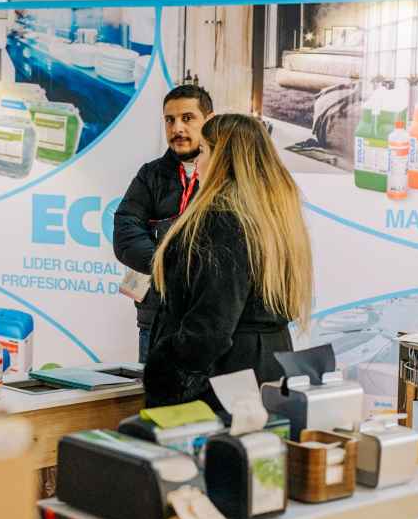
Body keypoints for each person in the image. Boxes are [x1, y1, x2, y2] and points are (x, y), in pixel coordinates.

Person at [143, 113, 314, 409]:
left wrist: (165, 373)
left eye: (204, 151)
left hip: (222, 380)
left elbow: (210, 327)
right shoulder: (274, 218)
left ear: (223, 158)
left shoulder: (222, 221)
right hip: (268, 367)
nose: (197, 161)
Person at [113, 84, 214, 363]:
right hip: (156, 320)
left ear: (209, 120)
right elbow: (126, 234)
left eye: (187, 118)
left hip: (209, 322)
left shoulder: (227, 177)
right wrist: (172, 266)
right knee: (154, 391)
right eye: (170, 120)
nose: (177, 128)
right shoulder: (150, 175)